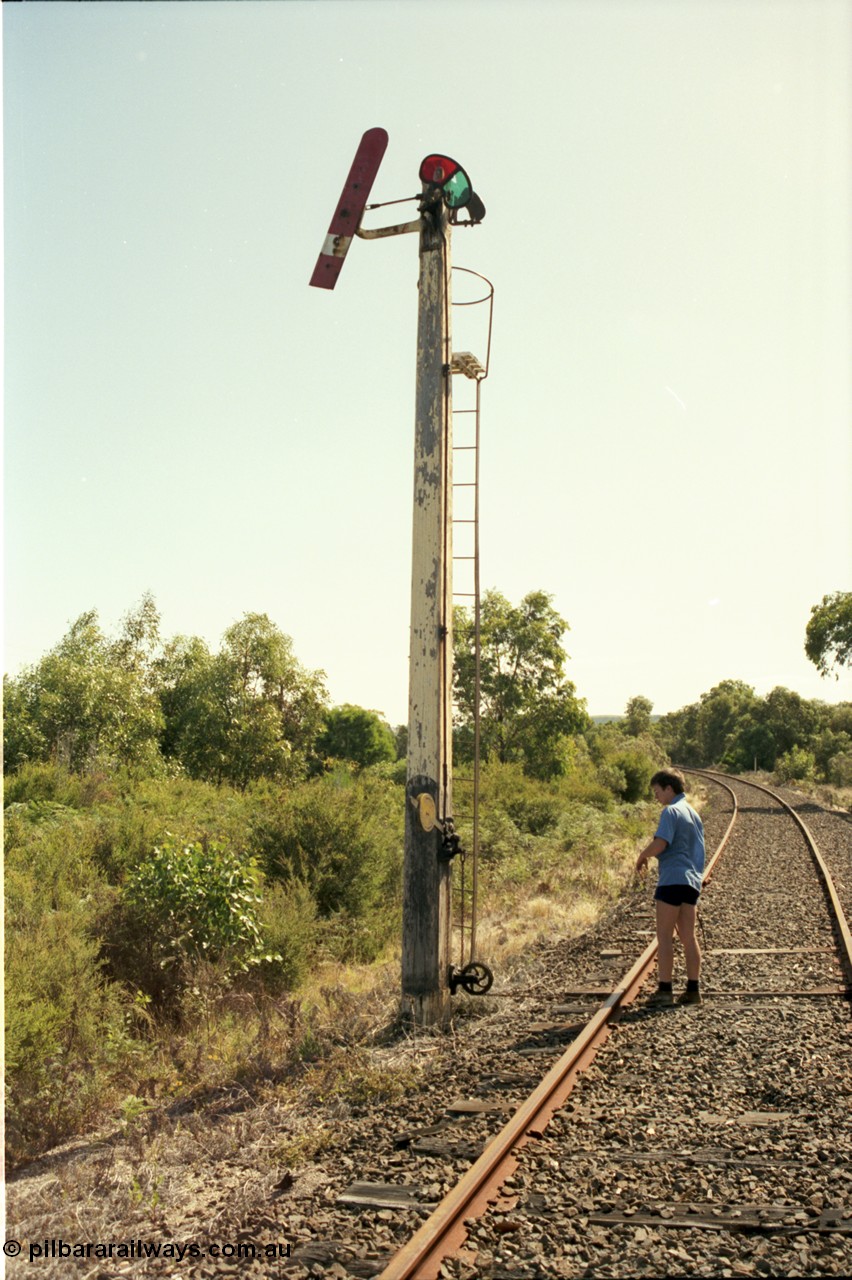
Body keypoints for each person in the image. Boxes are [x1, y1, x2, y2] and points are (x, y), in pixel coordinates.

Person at [635, 768, 705, 1006]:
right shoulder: (694, 814)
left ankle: (665, 990)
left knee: (664, 935)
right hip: (691, 882)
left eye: (657, 791)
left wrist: (642, 856)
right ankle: (693, 991)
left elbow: (661, 843)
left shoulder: (671, 811)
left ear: (668, 788)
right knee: (688, 936)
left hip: (672, 878)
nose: (656, 797)